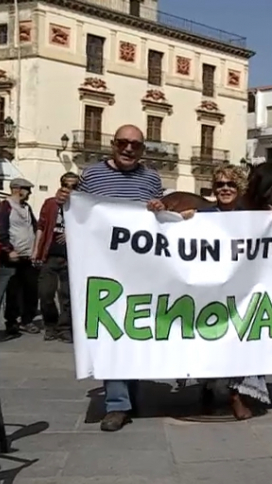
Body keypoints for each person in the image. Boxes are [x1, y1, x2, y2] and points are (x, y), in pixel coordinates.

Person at [56, 124, 166, 432]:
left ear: (142, 149)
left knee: (137, 329)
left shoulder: (151, 177)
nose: (129, 149)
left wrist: (159, 207)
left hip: (144, 269)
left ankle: (132, 391)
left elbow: (159, 217)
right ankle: (117, 404)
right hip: (105, 269)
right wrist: (66, 199)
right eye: (123, 143)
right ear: (112, 144)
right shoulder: (91, 175)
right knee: (111, 330)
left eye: (136, 145)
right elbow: (79, 214)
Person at [179, 164, 272, 420]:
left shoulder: (251, 216)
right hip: (208, 289)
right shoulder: (202, 215)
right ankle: (207, 389)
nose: (225, 189)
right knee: (208, 340)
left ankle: (237, 395)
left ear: (240, 188)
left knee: (240, 341)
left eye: (230, 184)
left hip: (241, 291)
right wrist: (183, 220)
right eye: (220, 185)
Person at [34, 172, 79, 343]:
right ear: (61, 185)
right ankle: (50, 325)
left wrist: (72, 233)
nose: (70, 190)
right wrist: (35, 250)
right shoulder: (50, 204)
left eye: (74, 186)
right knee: (45, 293)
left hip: (71, 256)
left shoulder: (81, 206)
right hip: (50, 254)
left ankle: (64, 328)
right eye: (67, 185)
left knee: (67, 295)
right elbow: (41, 226)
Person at [0, 178, 39, 339]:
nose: (29, 193)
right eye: (27, 189)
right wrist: (8, 250)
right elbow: (1, 230)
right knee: (12, 292)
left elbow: (34, 227)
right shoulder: (6, 206)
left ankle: (27, 320)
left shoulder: (26, 208)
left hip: (28, 256)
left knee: (30, 291)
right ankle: (12, 323)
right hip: (12, 257)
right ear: (17, 189)